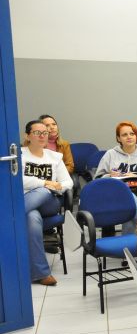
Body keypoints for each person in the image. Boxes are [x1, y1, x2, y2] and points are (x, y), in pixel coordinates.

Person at [21, 120, 74, 286]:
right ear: (27, 136)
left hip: (50, 202)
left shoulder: (55, 157)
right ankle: (41, 273)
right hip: (30, 203)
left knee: (44, 192)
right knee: (32, 217)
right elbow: (17, 180)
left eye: (45, 132)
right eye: (37, 133)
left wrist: (56, 186)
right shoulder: (19, 155)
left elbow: (68, 182)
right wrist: (44, 182)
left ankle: (12, 214)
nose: (42, 135)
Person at [94, 121, 137, 234]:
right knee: (130, 198)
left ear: (136, 136)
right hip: (116, 195)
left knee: (132, 198)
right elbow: (97, 179)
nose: (129, 137)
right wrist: (109, 176)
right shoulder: (110, 154)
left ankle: (133, 239)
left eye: (132, 134)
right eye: (124, 135)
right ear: (118, 138)